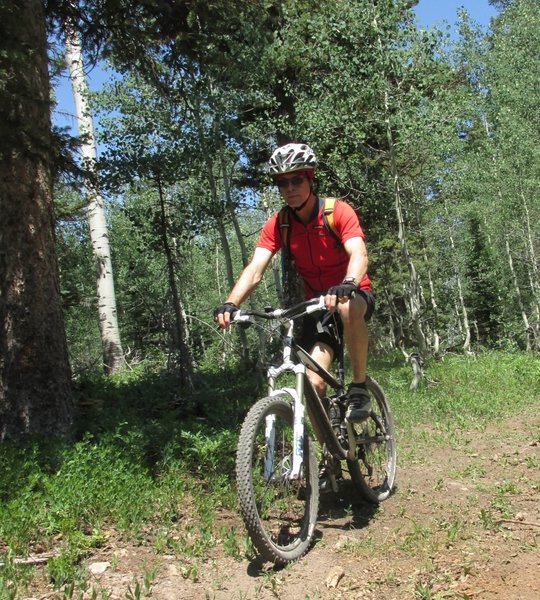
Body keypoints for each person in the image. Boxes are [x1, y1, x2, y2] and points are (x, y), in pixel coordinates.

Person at [214, 142, 375, 422]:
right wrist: (231, 302)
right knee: (313, 384)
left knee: (348, 308)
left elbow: (359, 253)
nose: (289, 187)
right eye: (282, 182)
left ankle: (359, 387)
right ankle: (331, 457)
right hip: (318, 307)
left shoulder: (337, 211)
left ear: (310, 178)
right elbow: (255, 268)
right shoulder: (279, 224)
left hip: (353, 294)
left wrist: (349, 282)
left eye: (297, 179)